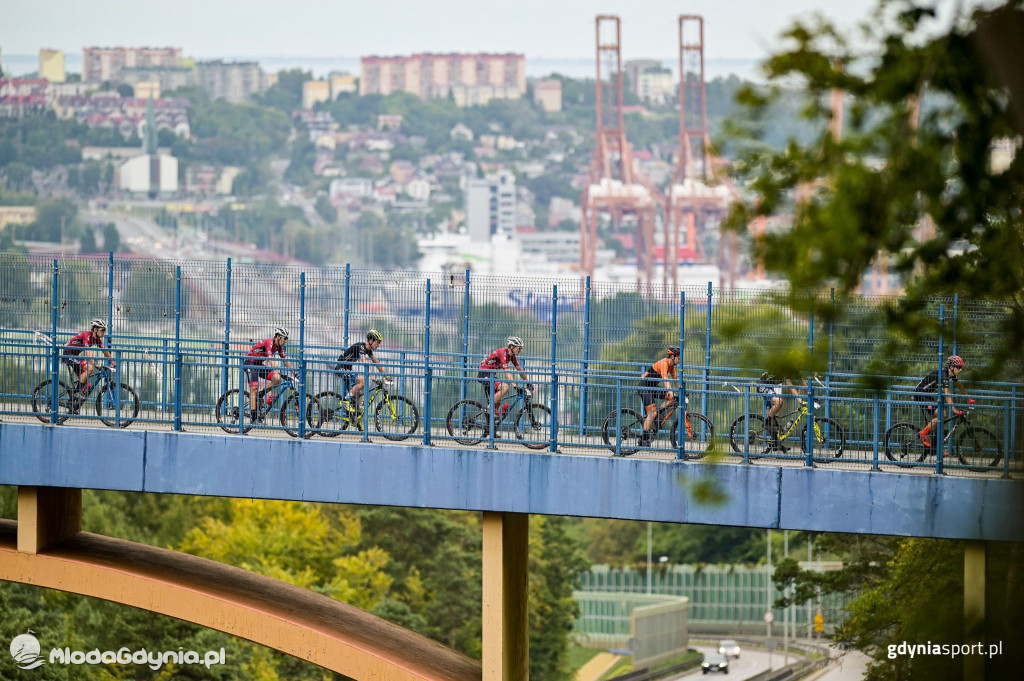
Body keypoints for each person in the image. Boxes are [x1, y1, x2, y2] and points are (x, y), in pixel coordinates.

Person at [915, 355, 967, 448]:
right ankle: (923, 433)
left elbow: (959, 385)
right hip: (920, 395)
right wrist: (954, 409)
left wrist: (968, 397)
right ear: (951, 367)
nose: (960, 370)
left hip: (926, 395)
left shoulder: (950, 374)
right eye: (959, 367)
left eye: (961, 367)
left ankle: (935, 449)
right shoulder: (944, 375)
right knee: (942, 414)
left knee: (938, 420)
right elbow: (947, 393)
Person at [334, 329, 388, 412]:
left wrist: (386, 376)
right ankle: (345, 401)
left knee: (357, 395)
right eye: (377, 342)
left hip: (348, 369)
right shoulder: (361, 348)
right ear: (371, 340)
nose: (378, 345)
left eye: (379, 343)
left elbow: (376, 362)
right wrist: (372, 376)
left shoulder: (368, 350)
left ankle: (354, 417)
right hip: (341, 368)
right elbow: (365, 362)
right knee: (363, 381)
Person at [245, 327, 293, 420]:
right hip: (250, 363)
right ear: (278, 337)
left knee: (277, 378)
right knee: (254, 389)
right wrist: (278, 370)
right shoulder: (269, 343)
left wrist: (295, 372)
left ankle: (261, 394)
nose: (286, 341)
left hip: (259, 364)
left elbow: (285, 361)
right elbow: (270, 359)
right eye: (285, 338)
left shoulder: (278, 347)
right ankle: (253, 417)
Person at [637, 346, 682, 445]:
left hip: (652, 388)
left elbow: (676, 381)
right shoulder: (664, 363)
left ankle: (659, 414)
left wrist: (682, 390)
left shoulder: (672, 367)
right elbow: (666, 380)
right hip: (644, 388)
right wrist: (670, 390)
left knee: (673, 399)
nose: (680, 359)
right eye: (678, 357)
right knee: (652, 413)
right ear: (672, 356)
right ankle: (643, 438)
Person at [478, 336, 532, 417]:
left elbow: (520, 369)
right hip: (484, 374)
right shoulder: (502, 353)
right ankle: (489, 408)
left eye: (521, 348)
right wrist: (514, 386)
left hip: (491, 375)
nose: (520, 350)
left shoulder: (512, 356)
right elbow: (507, 371)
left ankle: (489, 425)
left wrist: (528, 382)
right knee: (505, 387)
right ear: (511, 347)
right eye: (519, 348)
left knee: (497, 403)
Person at [62, 318, 114, 393]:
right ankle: (75, 393)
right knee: (90, 368)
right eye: (102, 330)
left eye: (104, 330)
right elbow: (88, 351)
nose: (104, 332)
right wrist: (95, 364)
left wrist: (114, 362)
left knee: (86, 387)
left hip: (75, 355)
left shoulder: (97, 339)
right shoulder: (87, 336)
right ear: (95, 329)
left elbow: (105, 351)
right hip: (68, 354)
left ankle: (75, 400)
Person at [758, 370, 802, 450]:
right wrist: (800, 400)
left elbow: (802, 383)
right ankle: (767, 423)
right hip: (763, 385)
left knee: (773, 419)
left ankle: (777, 444)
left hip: (769, 386)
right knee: (779, 402)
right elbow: (791, 388)